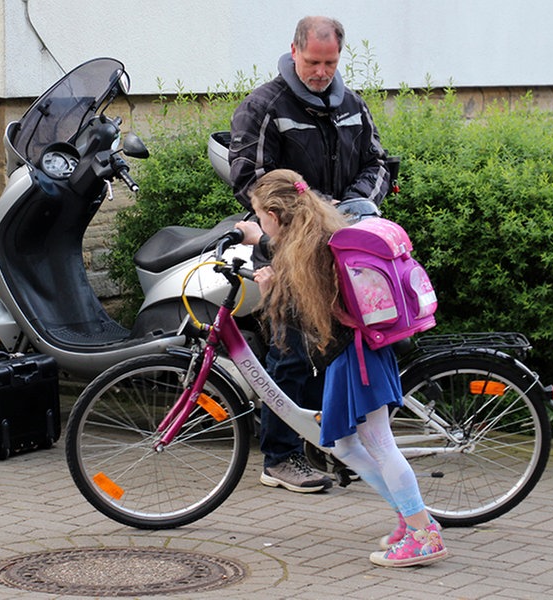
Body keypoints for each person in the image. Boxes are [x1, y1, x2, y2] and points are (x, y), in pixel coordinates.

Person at [235, 170, 448, 567]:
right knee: (346, 446)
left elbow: (304, 326)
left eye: (260, 216)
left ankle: (425, 534)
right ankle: (410, 516)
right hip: (354, 352)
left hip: (356, 359)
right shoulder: (315, 233)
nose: (260, 222)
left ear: (278, 216)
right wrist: (258, 238)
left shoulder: (305, 254)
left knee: (380, 444)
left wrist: (267, 295)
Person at [229, 15, 392, 493]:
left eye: (331, 62)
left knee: (344, 349)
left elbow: (378, 163)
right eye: (314, 61)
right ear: (294, 51)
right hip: (289, 248)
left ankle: (339, 448)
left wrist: (356, 205)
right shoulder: (264, 105)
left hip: (343, 248)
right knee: (292, 350)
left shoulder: (353, 105)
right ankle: (279, 459)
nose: (322, 71)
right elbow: (251, 180)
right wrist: (318, 211)